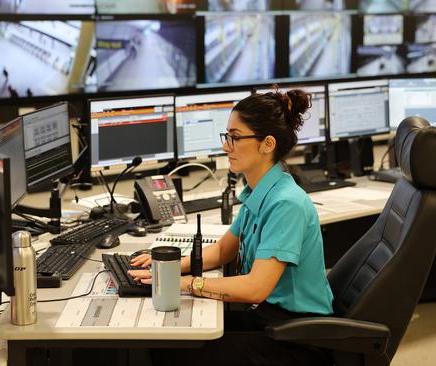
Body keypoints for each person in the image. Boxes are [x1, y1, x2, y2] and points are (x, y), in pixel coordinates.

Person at [129, 89, 334, 366]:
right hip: (269, 319)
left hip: (298, 338)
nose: (227, 146)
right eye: (227, 136)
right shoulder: (260, 191)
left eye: (235, 138)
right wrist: (168, 267)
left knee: (175, 348)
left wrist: (187, 284)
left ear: (267, 144)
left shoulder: (286, 203)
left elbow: (255, 288)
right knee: (170, 334)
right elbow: (224, 249)